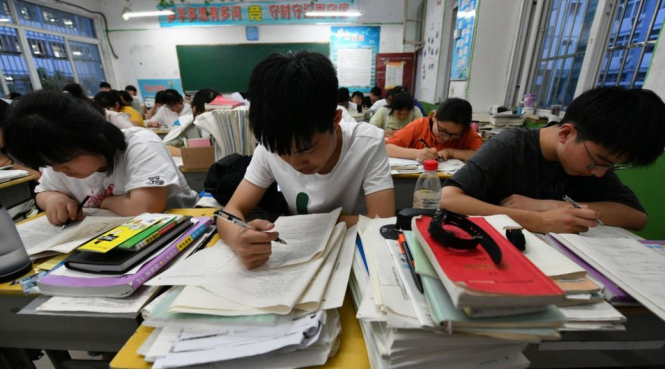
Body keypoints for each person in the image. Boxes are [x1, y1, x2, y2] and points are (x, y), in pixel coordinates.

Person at [217, 51, 395, 269]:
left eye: (308, 149)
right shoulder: (268, 148)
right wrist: (238, 237)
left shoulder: (367, 142)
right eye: (282, 151)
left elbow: (382, 220)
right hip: (299, 257)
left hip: (355, 255)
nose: (296, 163)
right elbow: (230, 212)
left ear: (336, 120)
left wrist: (311, 225)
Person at [440, 87, 665, 234]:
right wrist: (539, 220)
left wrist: (547, 206)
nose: (600, 173)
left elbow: (637, 217)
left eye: (610, 166)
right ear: (566, 133)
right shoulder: (509, 146)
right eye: (600, 161)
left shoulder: (592, 165)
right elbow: (449, 198)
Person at [3, 90, 198, 225]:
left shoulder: (140, 144)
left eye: (64, 160)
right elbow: (43, 192)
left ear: (96, 137)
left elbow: (144, 208)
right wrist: (54, 199)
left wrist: (105, 202)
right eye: (48, 164)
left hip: (180, 228)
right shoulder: (60, 163)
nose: (58, 170)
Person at [386, 98, 482, 162]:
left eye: (454, 135)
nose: (446, 138)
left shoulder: (466, 132)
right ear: (434, 117)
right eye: (442, 131)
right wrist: (417, 154)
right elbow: (387, 148)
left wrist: (451, 152)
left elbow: (482, 156)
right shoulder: (418, 126)